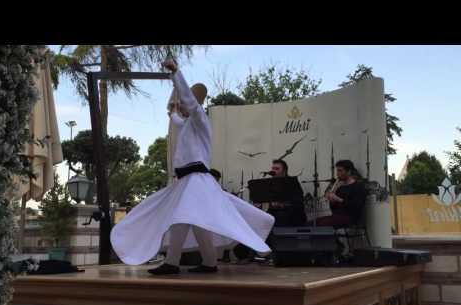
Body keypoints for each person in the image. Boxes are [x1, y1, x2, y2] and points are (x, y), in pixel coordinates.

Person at [110, 58, 275, 275]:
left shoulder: (200, 119)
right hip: (189, 181)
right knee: (196, 219)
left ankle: (173, 262)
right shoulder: (188, 124)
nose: (183, 106)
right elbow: (177, 119)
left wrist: (175, 74)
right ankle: (208, 262)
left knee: (182, 216)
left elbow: (189, 103)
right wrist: (172, 112)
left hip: (197, 180)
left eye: (186, 104)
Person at [313, 160, 367, 227]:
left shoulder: (358, 186)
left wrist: (338, 199)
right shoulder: (340, 186)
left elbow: (356, 207)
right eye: (337, 171)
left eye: (340, 170)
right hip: (337, 217)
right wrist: (332, 200)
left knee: (322, 224)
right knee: (311, 223)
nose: (337, 174)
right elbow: (334, 208)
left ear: (349, 172)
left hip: (350, 218)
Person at [266, 159, 307, 227]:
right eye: (273, 168)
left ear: (284, 171)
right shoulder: (270, 183)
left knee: (280, 217)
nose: (273, 171)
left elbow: (299, 202)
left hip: (291, 215)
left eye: (277, 169)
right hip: (274, 213)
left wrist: (282, 205)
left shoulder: (293, 182)